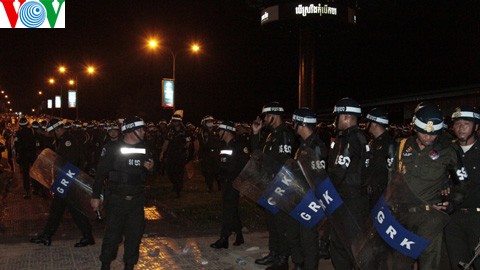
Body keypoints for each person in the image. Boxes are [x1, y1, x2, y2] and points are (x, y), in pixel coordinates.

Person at [392, 104, 467, 270]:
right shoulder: (401, 146)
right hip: (403, 216)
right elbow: (391, 180)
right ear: (414, 128)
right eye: (423, 132)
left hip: (430, 218)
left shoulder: (448, 151)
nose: (428, 137)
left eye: (433, 134)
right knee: (399, 262)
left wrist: (452, 202)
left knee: (429, 263)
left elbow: (461, 184)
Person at [90, 116, 154, 270]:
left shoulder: (145, 148)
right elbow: (100, 174)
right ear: (130, 131)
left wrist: (151, 168)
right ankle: (105, 264)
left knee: (134, 237)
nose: (143, 132)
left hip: (136, 201)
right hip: (116, 201)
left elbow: (150, 174)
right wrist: (95, 196)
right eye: (140, 129)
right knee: (112, 237)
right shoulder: (112, 148)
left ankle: (129, 265)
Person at [30, 119, 94, 247]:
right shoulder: (63, 140)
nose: (53, 134)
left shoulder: (68, 141)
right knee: (58, 210)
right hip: (64, 181)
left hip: (66, 181)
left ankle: (86, 236)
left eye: (53, 132)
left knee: (69, 210)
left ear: (58, 129)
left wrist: (61, 182)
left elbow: (70, 163)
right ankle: (47, 236)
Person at [251, 101, 295, 270]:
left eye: (266, 116)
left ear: (273, 115)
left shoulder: (284, 134)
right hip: (269, 183)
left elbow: (283, 163)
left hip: (279, 184)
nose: (264, 119)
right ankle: (274, 253)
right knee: (272, 222)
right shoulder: (272, 134)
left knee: (280, 223)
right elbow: (258, 155)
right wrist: (256, 133)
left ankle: (282, 259)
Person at [327, 97, 369, 269]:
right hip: (354, 199)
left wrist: (324, 189)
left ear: (344, 117)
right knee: (345, 243)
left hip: (349, 200)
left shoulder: (350, 139)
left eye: (336, 117)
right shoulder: (356, 137)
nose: (334, 122)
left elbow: (338, 172)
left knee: (345, 244)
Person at [291, 107, 328, 270]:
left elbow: (319, 177)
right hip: (300, 196)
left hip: (311, 199)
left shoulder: (316, 146)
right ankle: (300, 264)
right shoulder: (303, 144)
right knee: (297, 236)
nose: (293, 125)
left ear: (302, 124)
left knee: (308, 240)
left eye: (295, 122)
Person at [444, 106, 480, 270]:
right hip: (453, 218)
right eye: (457, 123)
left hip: (477, 217)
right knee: (457, 264)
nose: (461, 127)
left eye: (466, 123)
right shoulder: (447, 151)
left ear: (476, 127)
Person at [210, 120, 249, 249]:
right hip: (226, 183)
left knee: (228, 211)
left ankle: (224, 238)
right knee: (232, 209)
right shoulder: (224, 146)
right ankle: (239, 234)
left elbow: (245, 167)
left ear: (226, 131)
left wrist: (243, 186)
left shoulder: (239, 146)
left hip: (235, 183)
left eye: (220, 131)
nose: (218, 133)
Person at [364, 108, 395, 209]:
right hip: (371, 192)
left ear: (374, 124)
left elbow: (392, 172)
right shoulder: (373, 141)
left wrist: (388, 196)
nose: (366, 124)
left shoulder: (389, 144)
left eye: (368, 122)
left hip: (382, 194)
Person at [160, 114, 188, 198]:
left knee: (179, 172)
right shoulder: (170, 131)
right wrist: (162, 152)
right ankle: (175, 184)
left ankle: (178, 189)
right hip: (171, 154)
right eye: (173, 121)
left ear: (180, 122)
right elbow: (166, 142)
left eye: (176, 121)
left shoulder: (185, 131)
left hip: (180, 154)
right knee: (170, 171)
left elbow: (188, 142)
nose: (175, 122)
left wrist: (186, 147)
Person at [194, 115, 221, 192]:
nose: (210, 123)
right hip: (206, 154)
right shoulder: (201, 132)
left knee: (217, 171)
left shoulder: (218, 131)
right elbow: (199, 144)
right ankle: (210, 187)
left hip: (216, 154)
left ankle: (220, 185)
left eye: (211, 121)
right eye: (208, 122)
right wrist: (198, 156)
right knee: (207, 171)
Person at [14, 117, 37, 199]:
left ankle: (27, 192)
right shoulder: (32, 131)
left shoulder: (18, 133)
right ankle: (36, 188)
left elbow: (17, 145)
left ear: (20, 124)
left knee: (26, 174)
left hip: (24, 156)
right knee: (35, 172)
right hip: (32, 155)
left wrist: (17, 154)